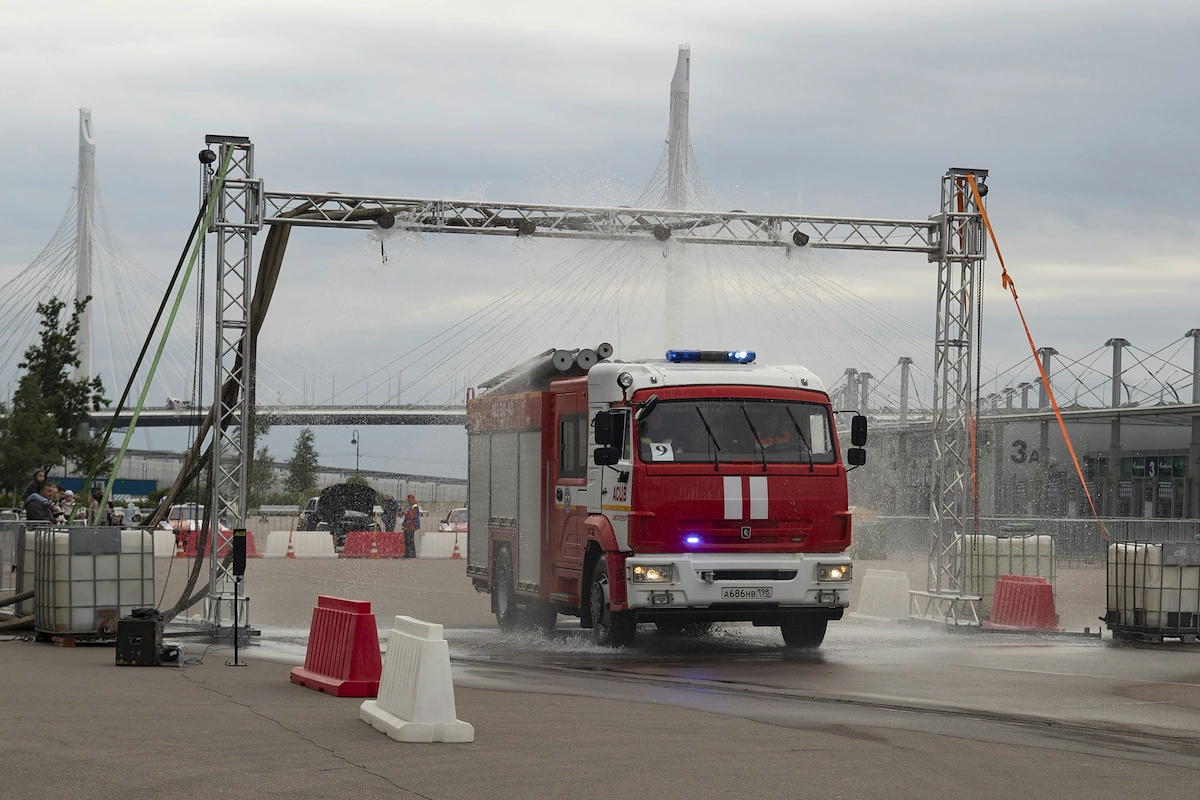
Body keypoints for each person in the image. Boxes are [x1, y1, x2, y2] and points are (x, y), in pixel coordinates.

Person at [400, 493, 421, 558]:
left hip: (411, 525)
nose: (408, 501)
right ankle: (407, 554)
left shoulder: (414, 506)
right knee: (406, 540)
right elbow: (404, 514)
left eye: (409, 500)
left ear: (412, 499)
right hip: (406, 525)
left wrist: (404, 513)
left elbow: (411, 515)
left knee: (410, 540)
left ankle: (412, 554)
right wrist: (401, 513)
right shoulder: (407, 506)